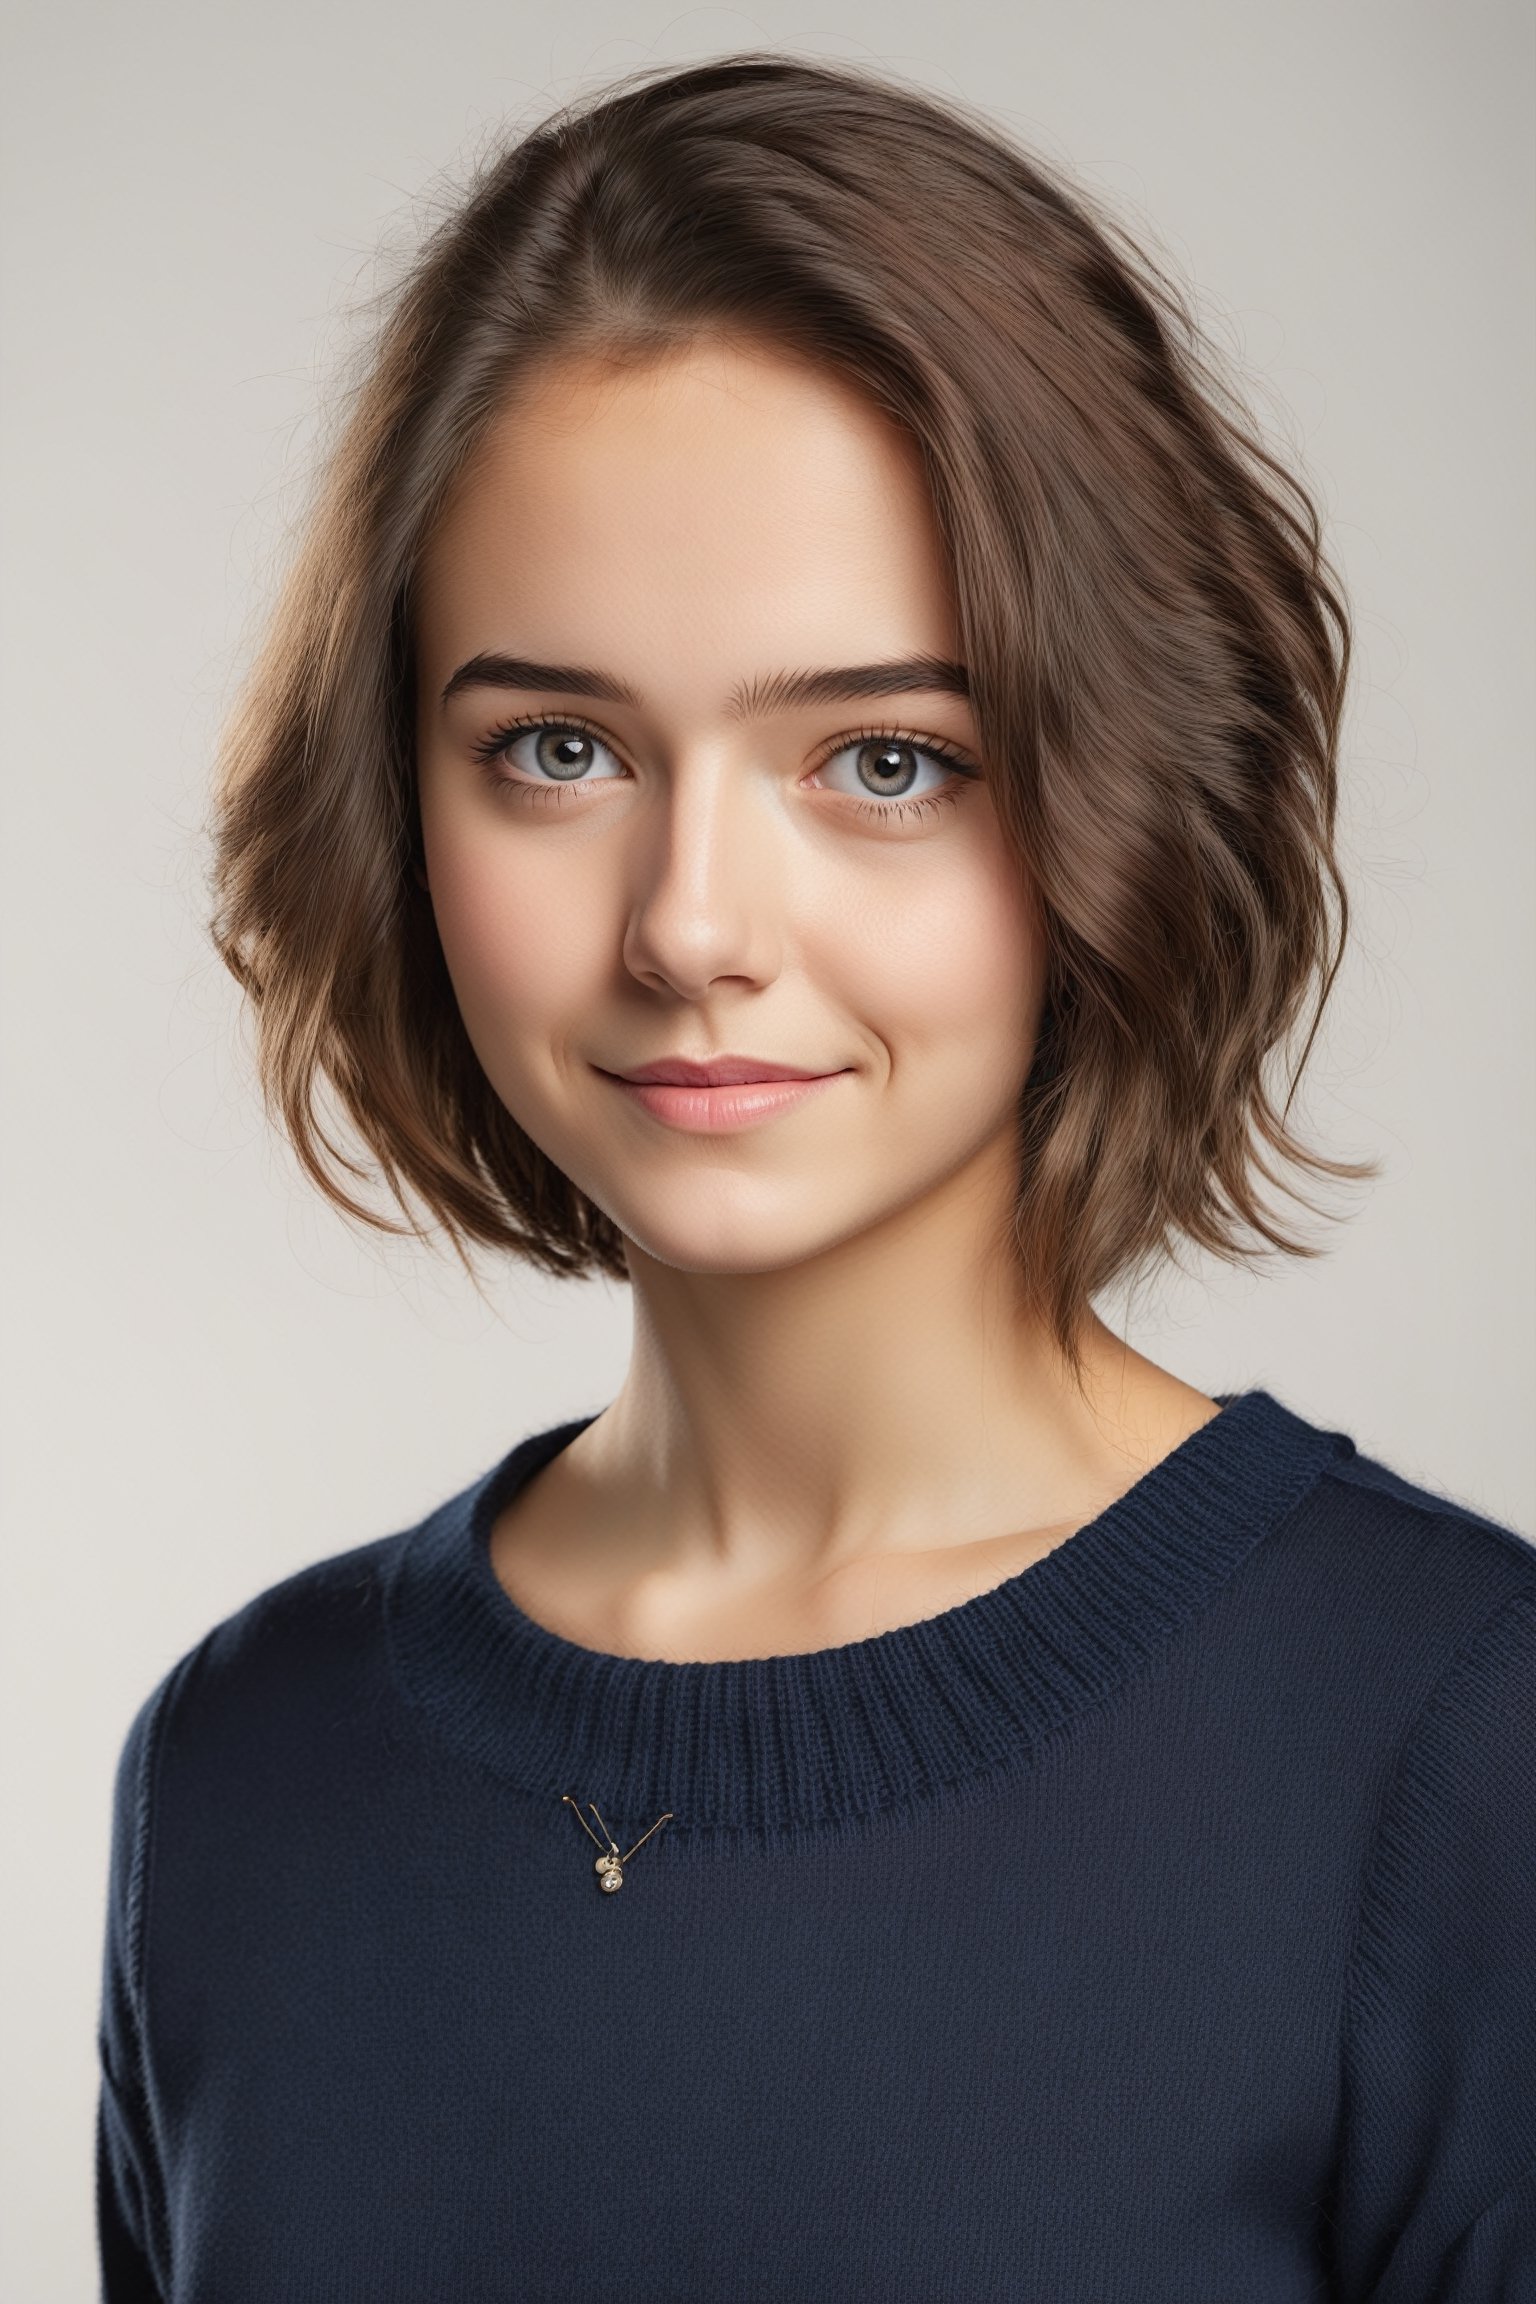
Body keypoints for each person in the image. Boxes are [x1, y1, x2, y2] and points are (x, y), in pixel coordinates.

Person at [96, 53, 1535, 2302]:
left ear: (1125, 784)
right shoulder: (239, 1785)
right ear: (400, 801)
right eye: (557, 750)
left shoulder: (1450, 1750)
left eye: (882, 759)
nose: (690, 924)